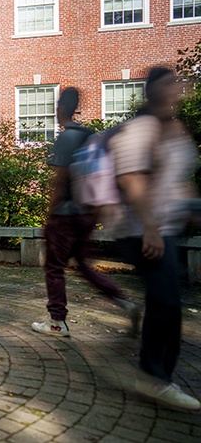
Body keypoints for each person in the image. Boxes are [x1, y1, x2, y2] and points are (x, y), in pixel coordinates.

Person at [111, 67, 200, 410]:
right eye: (170, 84)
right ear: (153, 91)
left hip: (167, 227)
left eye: (179, 83)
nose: (178, 88)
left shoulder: (175, 130)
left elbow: (179, 179)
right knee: (167, 302)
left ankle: (155, 375)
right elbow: (132, 179)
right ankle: (154, 377)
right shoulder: (141, 129)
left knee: (167, 302)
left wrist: (191, 209)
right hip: (140, 229)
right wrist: (150, 226)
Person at [32, 88, 140, 337]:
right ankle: (125, 301)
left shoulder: (67, 137)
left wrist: (50, 215)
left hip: (65, 215)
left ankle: (57, 321)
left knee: (54, 267)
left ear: (60, 109)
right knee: (83, 265)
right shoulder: (91, 136)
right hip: (88, 214)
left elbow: (60, 181)